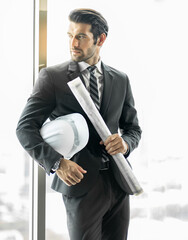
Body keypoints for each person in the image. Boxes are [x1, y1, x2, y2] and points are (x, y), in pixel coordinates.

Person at [16, 8, 142, 240]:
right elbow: (25, 129)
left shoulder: (121, 79)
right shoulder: (52, 77)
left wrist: (125, 144)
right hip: (81, 183)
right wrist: (57, 163)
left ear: (100, 39)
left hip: (118, 181)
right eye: (70, 35)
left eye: (81, 36)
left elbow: (133, 129)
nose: (73, 43)